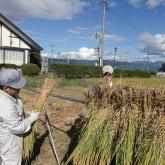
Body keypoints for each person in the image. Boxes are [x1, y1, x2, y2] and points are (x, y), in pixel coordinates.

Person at [0, 68, 40, 165]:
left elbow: (15, 109)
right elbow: (18, 127)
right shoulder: (5, 104)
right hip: (10, 141)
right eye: (16, 87)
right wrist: (32, 118)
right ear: (6, 88)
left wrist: (26, 112)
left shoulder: (9, 95)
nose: (19, 89)